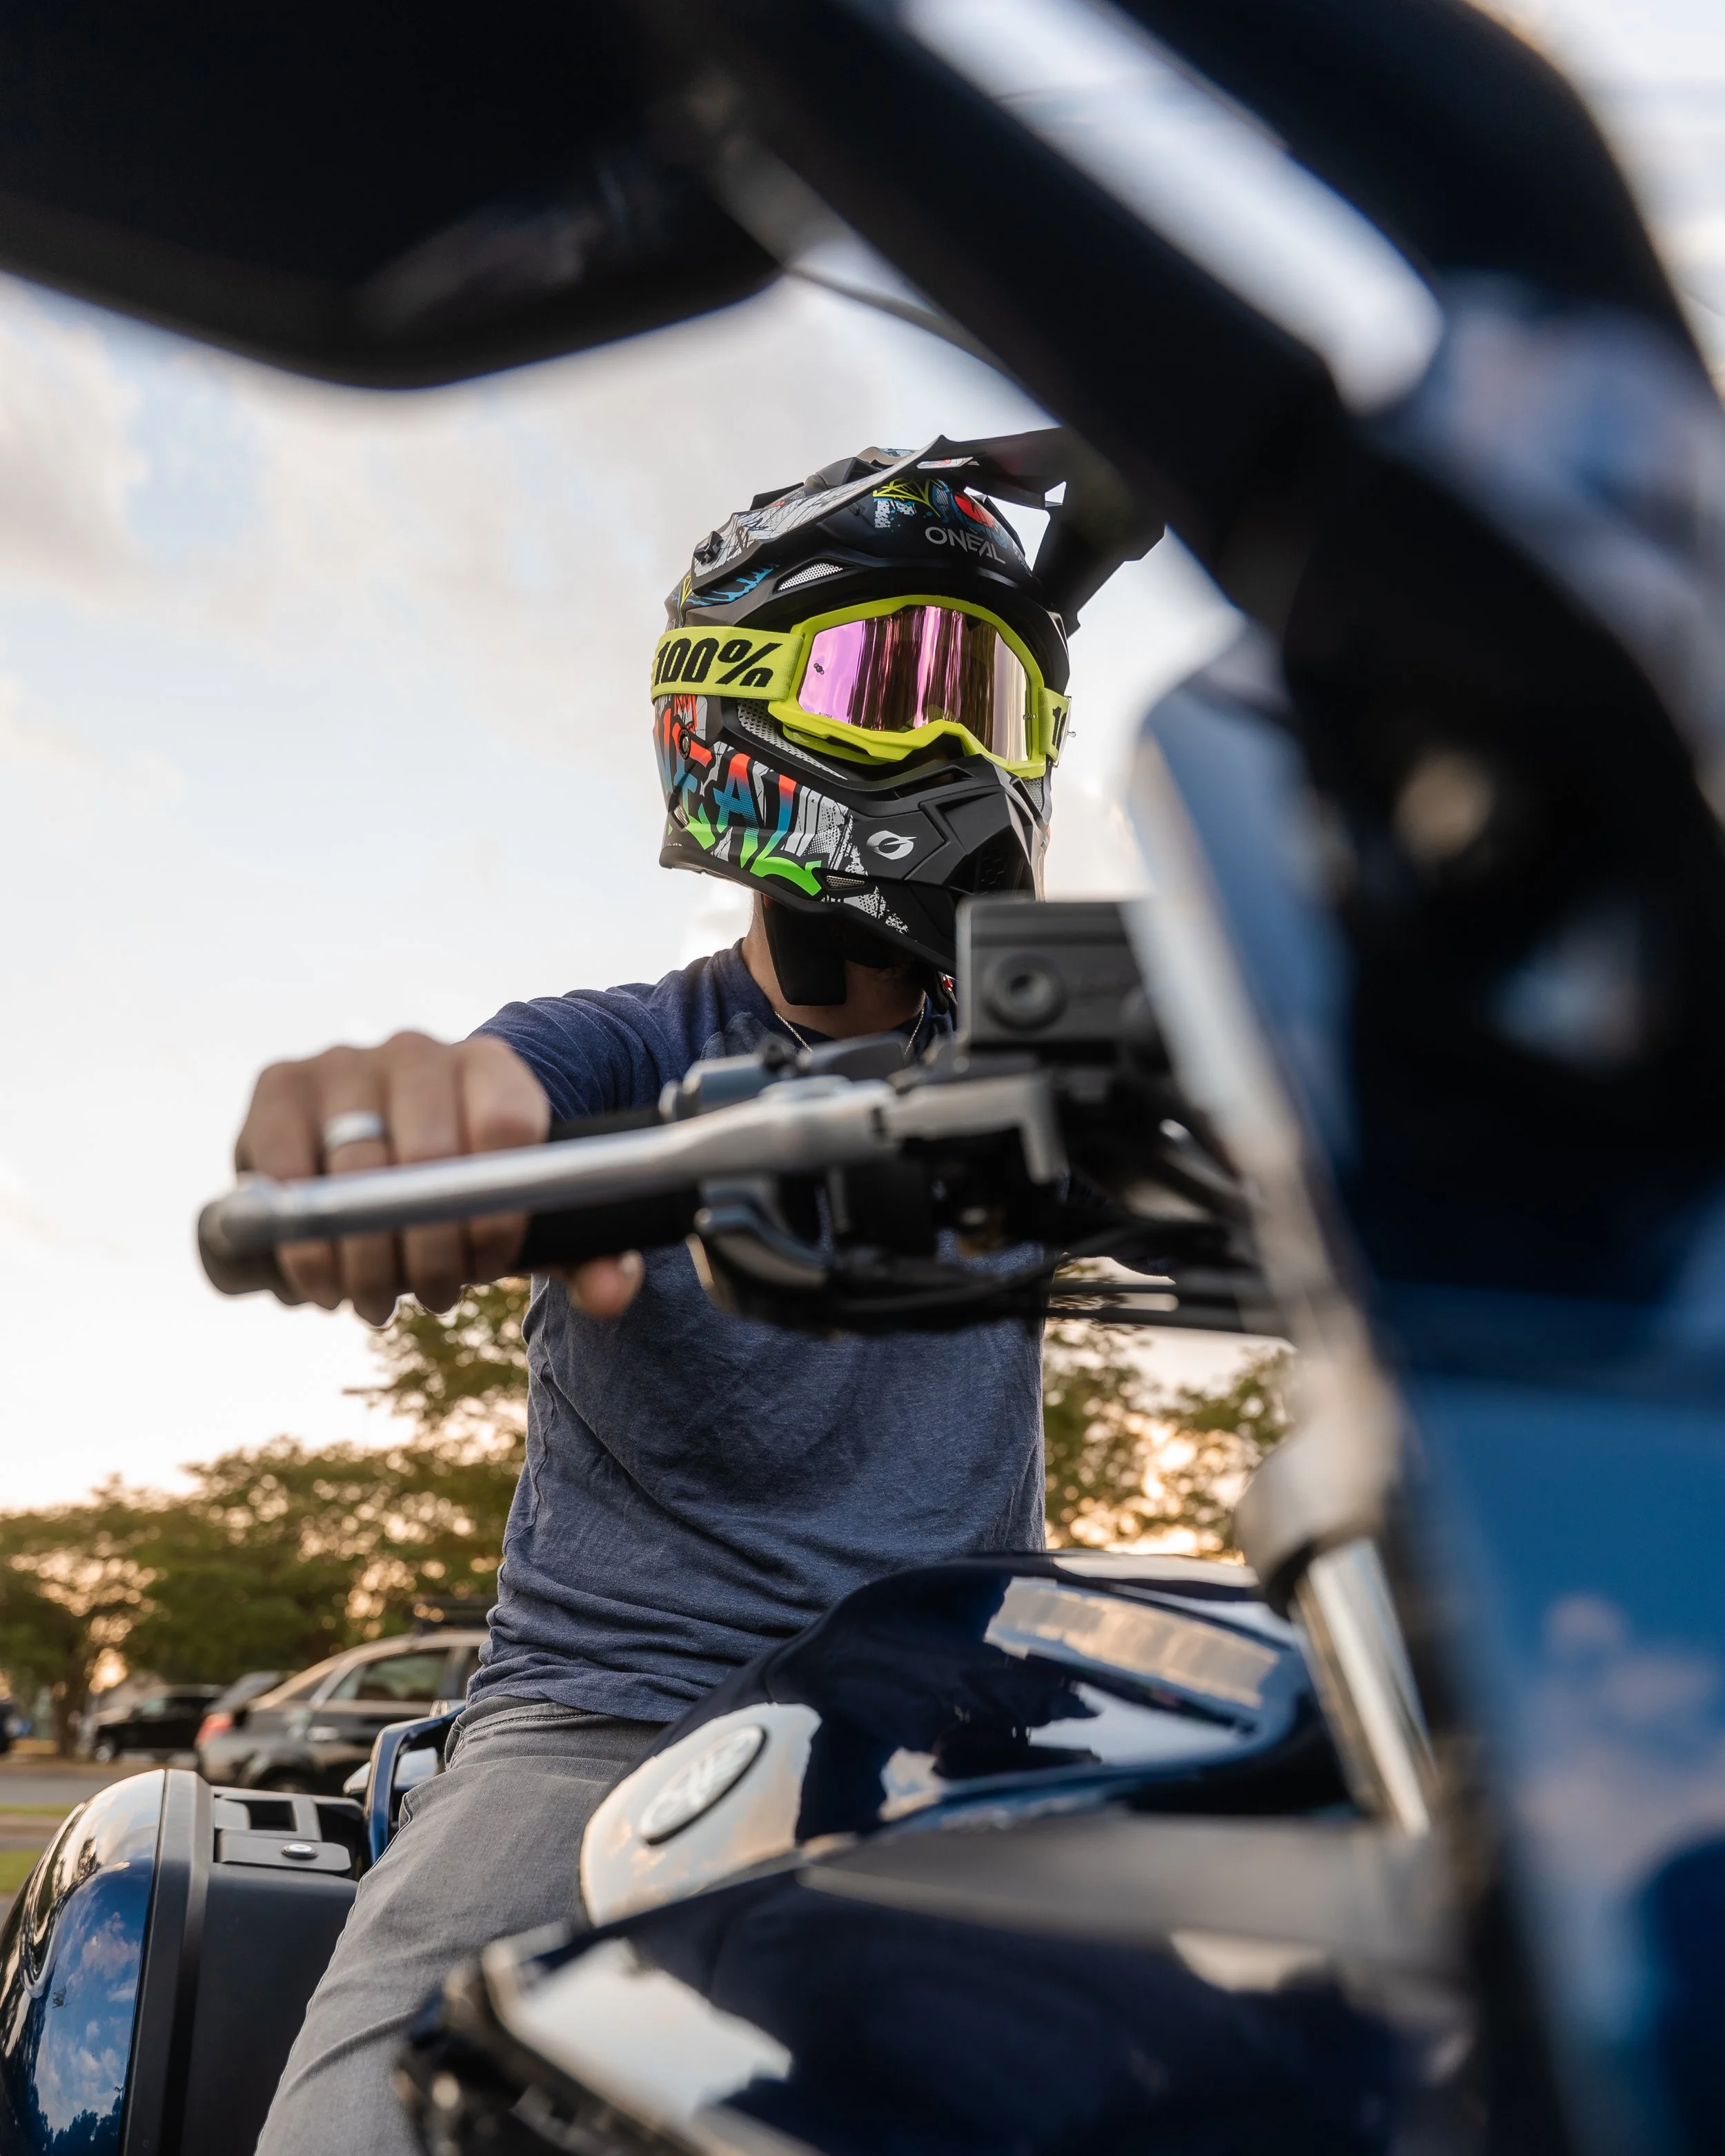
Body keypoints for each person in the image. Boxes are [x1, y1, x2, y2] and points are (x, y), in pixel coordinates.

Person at [253, 437, 1075, 2155]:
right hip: (611, 1715)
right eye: (903, 679)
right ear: (738, 699)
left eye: (997, 709)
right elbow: (492, 1084)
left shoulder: (1042, 1073)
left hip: (958, 1719)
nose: (958, 749)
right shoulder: (626, 1044)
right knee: (367, 2119)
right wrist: (395, 1127)